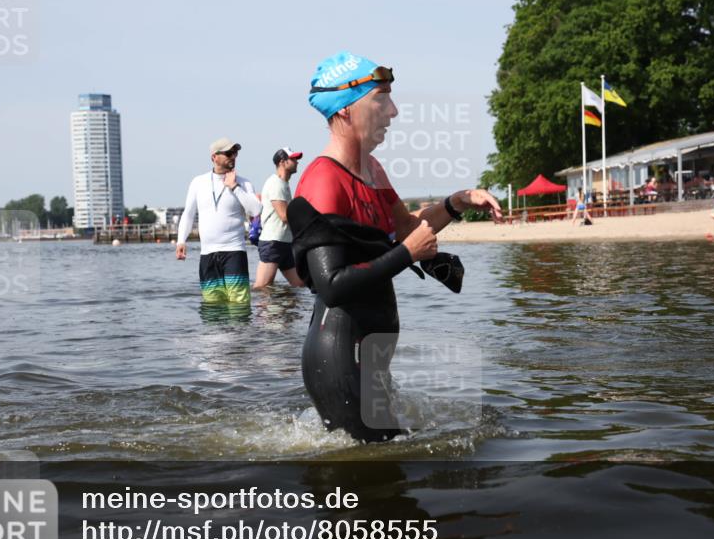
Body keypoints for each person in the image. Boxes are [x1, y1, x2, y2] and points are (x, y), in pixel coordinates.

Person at [288, 51, 501, 443]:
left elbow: (407, 229)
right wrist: (407, 255)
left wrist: (457, 203)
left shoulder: (373, 171)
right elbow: (331, 284)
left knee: (393, 459)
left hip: (370, 355)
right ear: (347, 110)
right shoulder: (323, 181)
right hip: (338, 356)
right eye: (381, 98)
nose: (394, 111)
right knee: (372, 482)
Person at [176, 138, 262, 306]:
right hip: (207, 255)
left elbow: (256, 210)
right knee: (212, 308)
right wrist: (181, 241)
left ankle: (240, 333)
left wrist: (234, 187)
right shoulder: (198, 182)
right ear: (214, 157)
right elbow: (188, 214)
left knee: (239, 306)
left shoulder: (243, 183)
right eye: (228, 153)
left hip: (234, 251)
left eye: (235, 153)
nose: (233, 157)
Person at [253, 147, 306, 290]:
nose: (297, 162)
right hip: (273, 242)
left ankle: (288, 312)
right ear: (282, 162)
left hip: (285, 242)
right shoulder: (276, 183)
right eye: (293, 159)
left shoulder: (284, 184)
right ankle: (258, 312)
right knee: (262, 286)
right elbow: (284, 216)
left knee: (299, 284)